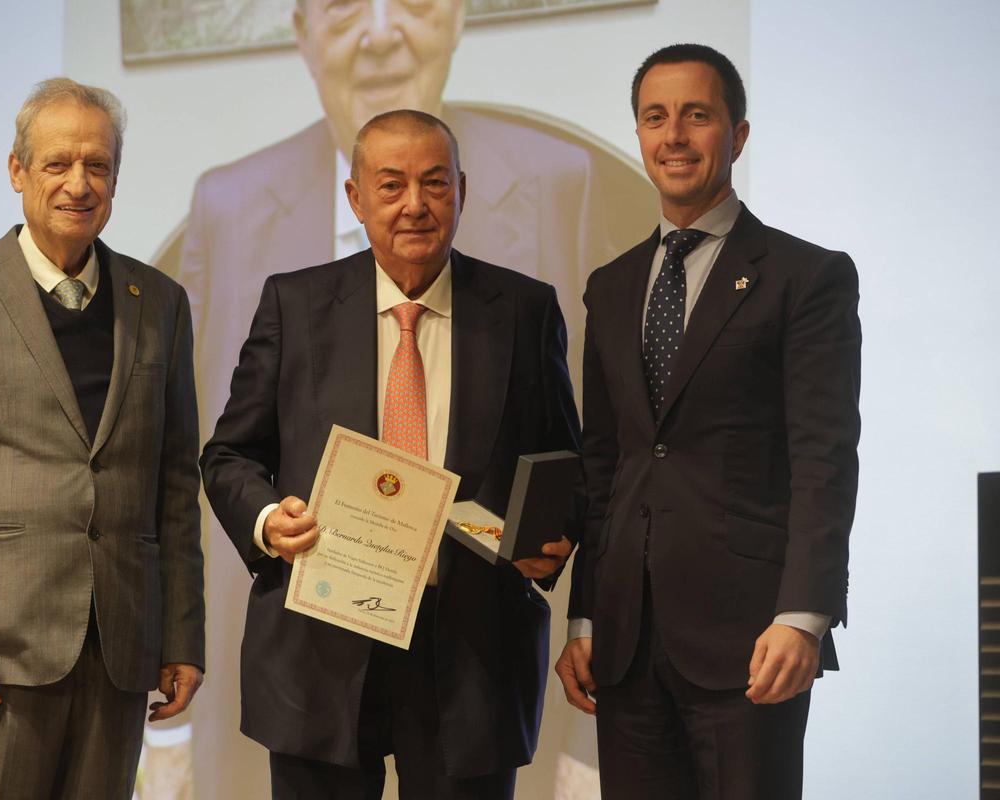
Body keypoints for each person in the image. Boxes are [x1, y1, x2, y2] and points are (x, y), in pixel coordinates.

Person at [201, 110, 580, 799]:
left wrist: (550, 540)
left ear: (461, 190)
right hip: (319, 649)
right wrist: (266, 521)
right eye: (392, 184)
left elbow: (564, 465)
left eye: (435, 183)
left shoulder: (524, 311)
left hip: (474, 656)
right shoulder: (295, 304)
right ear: (354, 198)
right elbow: (229, 455)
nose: (415, 205)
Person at [0, 78, 205, 799]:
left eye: (98, 166)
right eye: (58, 164)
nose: (79, 184)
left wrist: (181, 634)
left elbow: (175, 486)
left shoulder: (160, 304)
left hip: (121, 651)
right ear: (17, 171)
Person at [555, 44, 860, 799]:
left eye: (698, 115)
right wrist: (583, 617)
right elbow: (607, 464)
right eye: (656, 118)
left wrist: (805, 614)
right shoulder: (611, 285)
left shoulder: (806, 277)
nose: (676, 136)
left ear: (739, 135)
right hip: (625, 643)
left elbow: (824, 455)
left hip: (752, 639)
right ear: (639, 136)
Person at [178, 0, 656, 436]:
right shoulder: (226, 210)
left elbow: (585, 436)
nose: (382, 35)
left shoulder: (557, 184)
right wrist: (267, 520)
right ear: (304, 34)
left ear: (458, 16)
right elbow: (211, 448)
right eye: (344, 5)